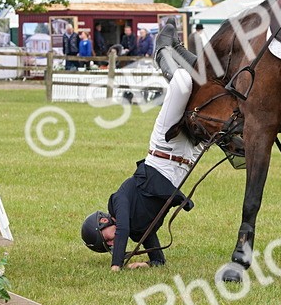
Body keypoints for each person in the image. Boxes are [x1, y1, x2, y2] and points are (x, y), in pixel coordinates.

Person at [81, 21, 206, 270]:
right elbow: (159, 259)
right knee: (217, 90)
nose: (114, 241)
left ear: (104, 221)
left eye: (107, 239)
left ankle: (162, 51)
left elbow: (123, 227)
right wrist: (146, 264)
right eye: (109, 246)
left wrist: (116, 265)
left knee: (182, 81)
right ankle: (179, 47)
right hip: (187, 157)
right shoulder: (141, 231)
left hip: (164, 147)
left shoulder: (119, 200)